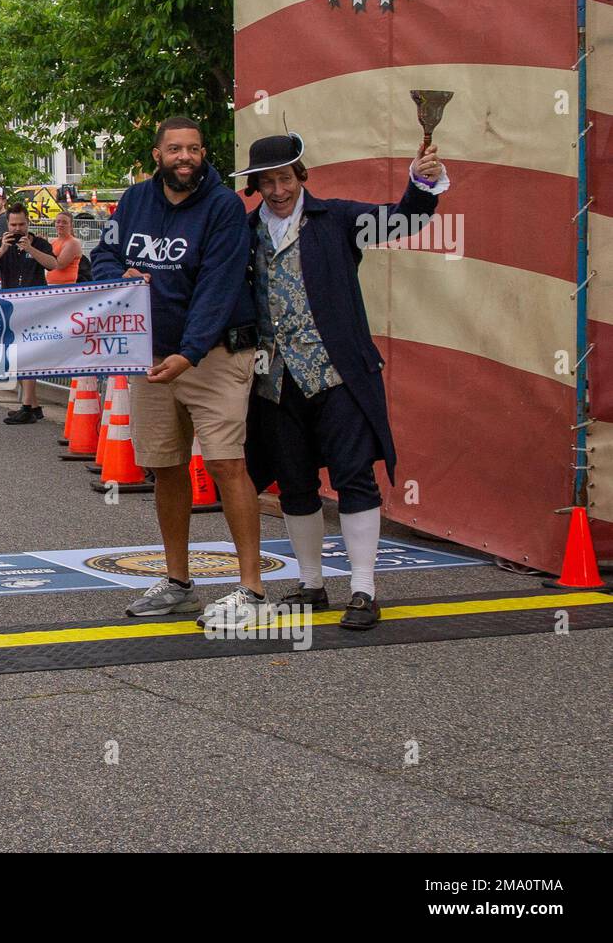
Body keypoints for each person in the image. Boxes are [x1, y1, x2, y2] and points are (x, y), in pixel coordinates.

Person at [236, 133, 448, 630]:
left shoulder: (339, 219)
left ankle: (363, 589)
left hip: (338, 375)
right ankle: (312, 586)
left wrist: (421, 183)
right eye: (267, 181)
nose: (278, 189)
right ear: (256, 186)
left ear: (300, 176)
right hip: (275, 381)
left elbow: (404, 219)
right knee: (294, 484)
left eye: (285, 178)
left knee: (354, 477)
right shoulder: (244, 234)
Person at [91, 116, 267, 631]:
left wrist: (189, 352)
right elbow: (104, 254)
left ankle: (252, 588)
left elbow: (219, 284)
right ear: (157, 154)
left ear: (204, 151)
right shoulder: (134, 201)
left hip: (212, 356)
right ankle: (178, 583)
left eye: (193, 148)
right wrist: (114, 275)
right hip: (151, 356)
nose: (184, 157)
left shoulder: (224, 206)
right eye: (174, 149)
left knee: (226, 465)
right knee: (165, 467)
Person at [0, 201, 60, 423]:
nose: (17, 229)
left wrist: (30, 249)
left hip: (35, 307)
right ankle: (32, 405)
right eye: (13, 224)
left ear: (28, 223)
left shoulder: (39, 243)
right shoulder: (2, 242)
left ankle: (28, 404)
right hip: (12, 306)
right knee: (18, 355)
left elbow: (53, 265)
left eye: (21, 224)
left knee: (28, 354)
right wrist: (3, 248)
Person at [45, 210, 84, 285]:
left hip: (64, 287)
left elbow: (59, 265)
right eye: (58, 222)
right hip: (50, 284)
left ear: (71, 225)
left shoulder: (73, 243)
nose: (60, 224)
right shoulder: (53, 241)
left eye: (64, 222)